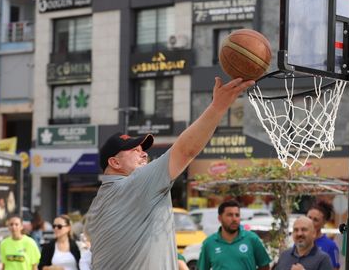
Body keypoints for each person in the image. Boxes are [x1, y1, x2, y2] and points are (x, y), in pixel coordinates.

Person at [85, 77, 254, 269]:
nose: (143, 153)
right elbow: (185, 150)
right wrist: (218, 106)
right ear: (114, 162)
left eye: (143, 149)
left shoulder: (98, 204)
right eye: (134, 150)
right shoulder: (133, 184)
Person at [198, 200, 271, 270]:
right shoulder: (209, 243)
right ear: (220, 218)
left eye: (237, 215)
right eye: (230, 215)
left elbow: (265, 266)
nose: (234, 219)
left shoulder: (252, 239)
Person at [306, 201, 340, 269]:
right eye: (309, 217)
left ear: (324, 222)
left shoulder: (330, 246)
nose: (311, 222)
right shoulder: (300, 241)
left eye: (316, 220)